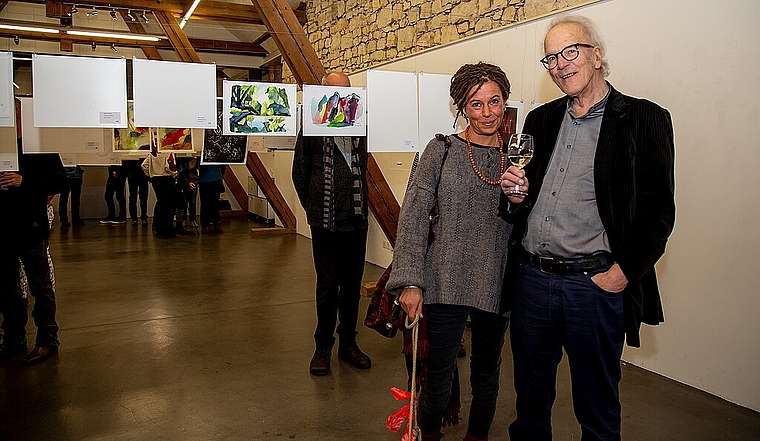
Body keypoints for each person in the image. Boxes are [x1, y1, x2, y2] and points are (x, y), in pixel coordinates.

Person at [498, 15, 675, 441]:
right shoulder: (540, 120)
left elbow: (658, 213)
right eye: (551, 58)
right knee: (530, 400)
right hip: (532, 282)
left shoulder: (643, 118)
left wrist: (619, 275)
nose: (560, 64)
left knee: (596, 406)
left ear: (597, 55)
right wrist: (516, 195)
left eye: (570, 51)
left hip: (591, 286)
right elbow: (523, 197)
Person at [387, 62, 513, 441]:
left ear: (505, 102)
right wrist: (410, 282)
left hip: (497, 278)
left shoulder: (519, 157)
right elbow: (412, 216)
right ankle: (430, 437)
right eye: (476, 104)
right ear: (462, 106)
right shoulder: (441, 150)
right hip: (444, 279)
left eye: (495, 101)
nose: (488, 113)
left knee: (487, 375)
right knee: (438, 375)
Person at [292, 71, 372, 376]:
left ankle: (348, 343)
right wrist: (314, 208)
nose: (342, 99)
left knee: (351, 286)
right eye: (335, 93)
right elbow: (300, 173)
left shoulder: (361, 126)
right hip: (324, 222)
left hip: (356, 219)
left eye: (348, 93)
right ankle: (322, 346)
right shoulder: (311, 128)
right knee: (327, 287)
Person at [0, 153, 68, 366]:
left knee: (40, 285)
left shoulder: (37, 145)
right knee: (7, 287)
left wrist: (24, 181)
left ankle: (47, 338)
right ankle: (13, 338)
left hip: (30, 227)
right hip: (3, 227)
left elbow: (60, 181)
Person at [142, 138, 178, 239]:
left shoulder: (152, 154)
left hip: (156, 180)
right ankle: (165, 231)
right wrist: (175, 174)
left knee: (161, 204)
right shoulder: (168, 152)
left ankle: (159, 228)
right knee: (167, 206)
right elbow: (169, 167)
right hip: (166, 179)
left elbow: (144, 165)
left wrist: (150, 174)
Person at [198, 164, 225, 234]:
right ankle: (205, 225)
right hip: (205, 181)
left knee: (215, 204)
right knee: (205, 204)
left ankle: (216, 224)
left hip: (215, 180)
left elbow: (223, 166)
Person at [123, 159, 149, 226]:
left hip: (138, 174)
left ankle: (139, 218)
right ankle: (137, 218)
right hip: (135, 174)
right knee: (135, 198)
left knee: (140, 197)